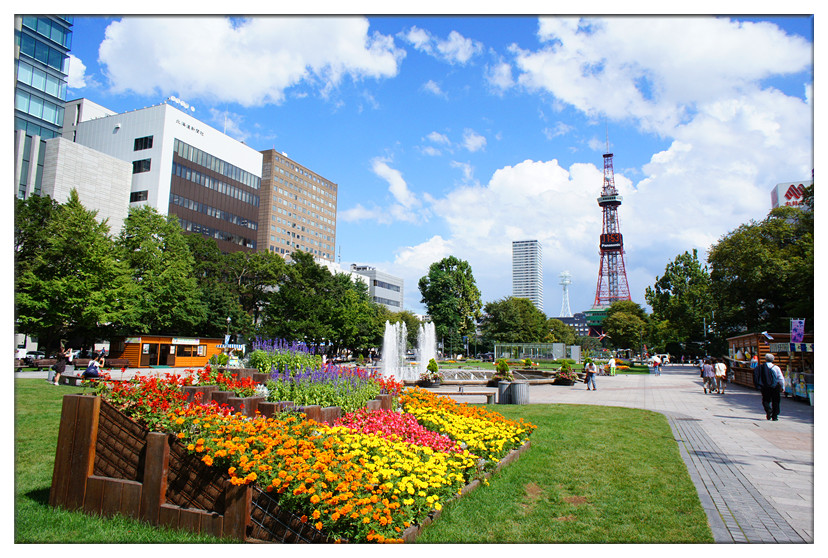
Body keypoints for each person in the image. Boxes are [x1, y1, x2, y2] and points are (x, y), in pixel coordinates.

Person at [754, 353, 785, 421]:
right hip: (775, 386)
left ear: (765, 359)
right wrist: (783, 386)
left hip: (765, 386)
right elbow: (780, 378)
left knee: (765, 400)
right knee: (776, 401)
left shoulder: (761, 367)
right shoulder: (776, 367)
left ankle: (768, 410)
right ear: (773, 359)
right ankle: (775, 416)